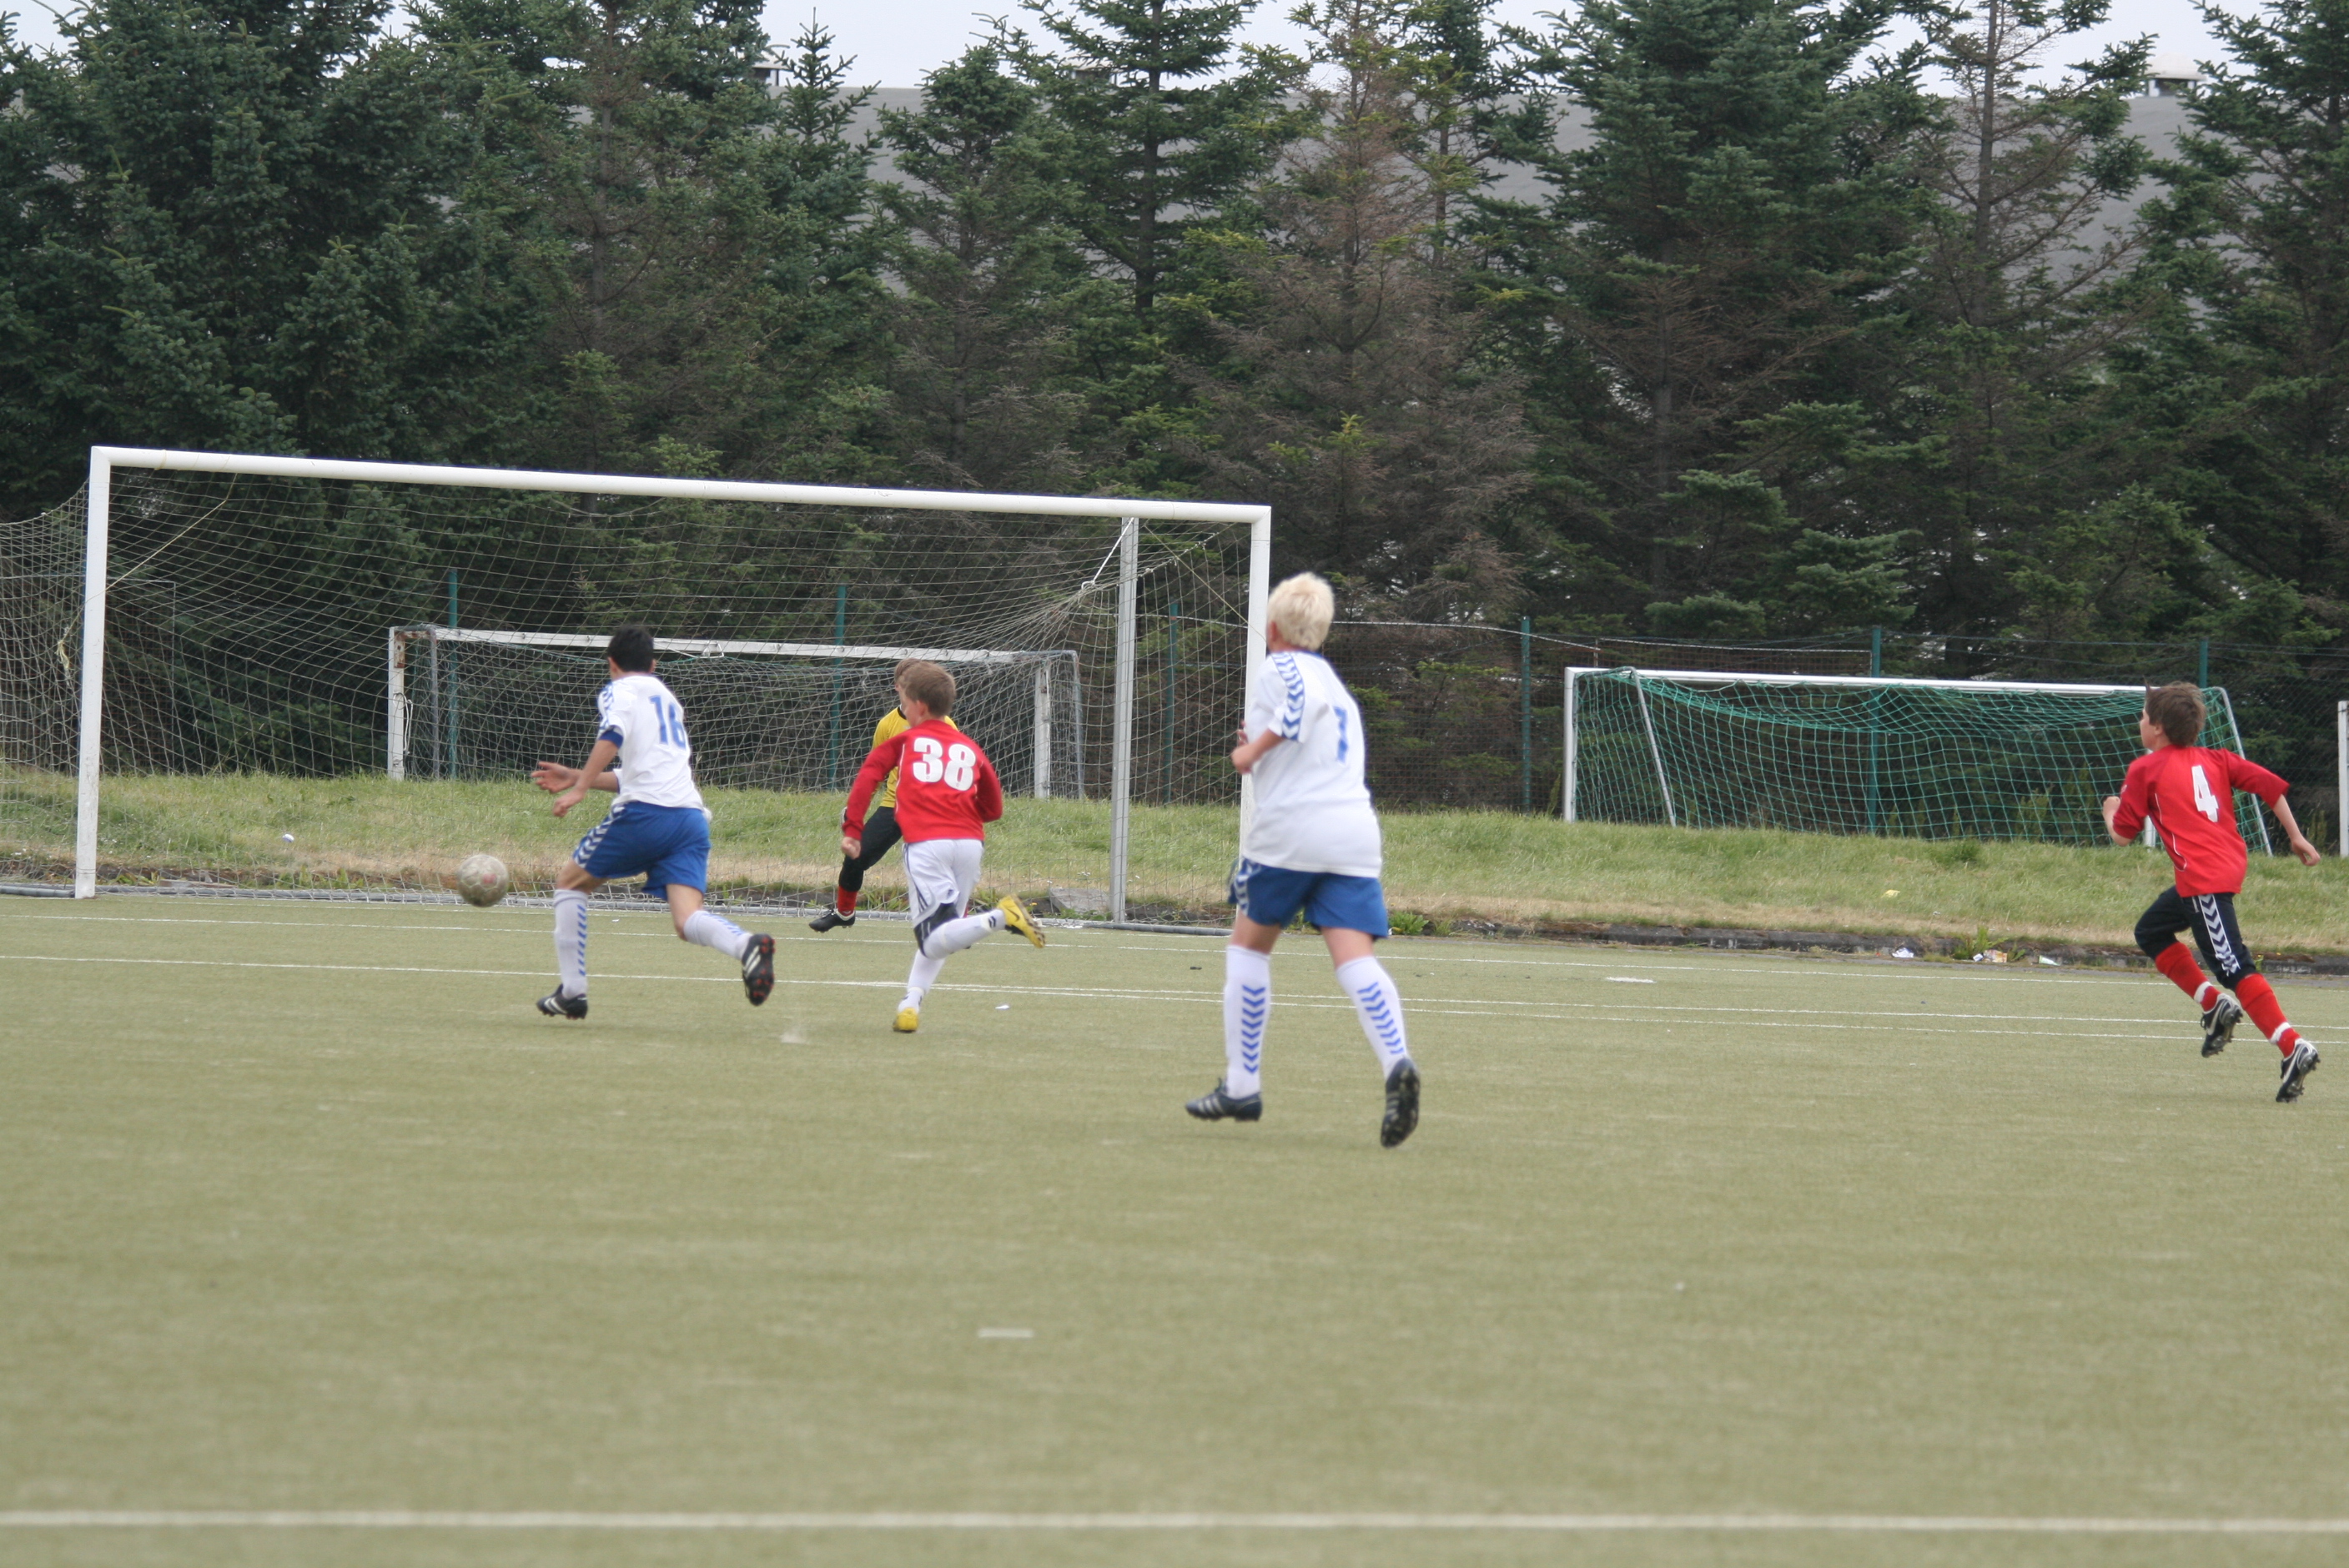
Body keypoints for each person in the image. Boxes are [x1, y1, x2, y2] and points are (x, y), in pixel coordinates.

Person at [1185, 571, 1421, 1148]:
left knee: (1247, 949)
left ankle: (1242, 1085)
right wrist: (1263, 743)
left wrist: (1250, 753)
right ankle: (1397, 1061)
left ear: (1272, 627)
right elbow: (1308, 729)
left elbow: (1297, 710)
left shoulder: (1282, 666)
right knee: (1354, 958)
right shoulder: (1334, 683)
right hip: (1353, 831)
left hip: (1294, 830)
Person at [529, 626, 775, 1019]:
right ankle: (746, 945)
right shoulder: (667, 699)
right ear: (654, 664)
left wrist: (580, 789)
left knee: (570, 884)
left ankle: (573, 991)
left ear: (611, 663)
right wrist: (577, 776)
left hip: (645, 814)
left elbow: (612, 734)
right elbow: (638, 772)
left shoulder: (619, 690)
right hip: (690, 819)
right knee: (687, 919)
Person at [2101, 681, 2322, 1102]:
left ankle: (2293, 1045)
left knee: (2234, 967)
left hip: (2204, 880)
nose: (2140, 722)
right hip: (2213, 873)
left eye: (2143, 716)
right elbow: (2270, 787)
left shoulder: (2145, 768)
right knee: (2151, 931)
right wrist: (2295, 836)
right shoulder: (2217, 758)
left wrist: (2111, 809)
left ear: (2158, 727)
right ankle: (2213, 1004)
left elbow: (2122, 837)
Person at [840, 660, 1044, 1032]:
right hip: (969, 845)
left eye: (904, 699)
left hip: (928, 844)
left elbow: (868, 777)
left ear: (918, 706)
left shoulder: (904, 741)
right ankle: (911, 1003)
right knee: (946, 932)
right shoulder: (968, 746)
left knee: (933, 939)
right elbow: (994, 808)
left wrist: (853, 828)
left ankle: (1002, 917)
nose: (901, 705)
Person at [809, 660, 960, 933]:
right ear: (898, 687)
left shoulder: (945, 724)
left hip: (931, 809)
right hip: (895, 806)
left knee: (941, 866)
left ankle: (955, 922)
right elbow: (875, 773)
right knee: (855, 856)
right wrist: (855, 811)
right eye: (907, 683)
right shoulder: (887, 725)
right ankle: (844, 913)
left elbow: (955, 770)